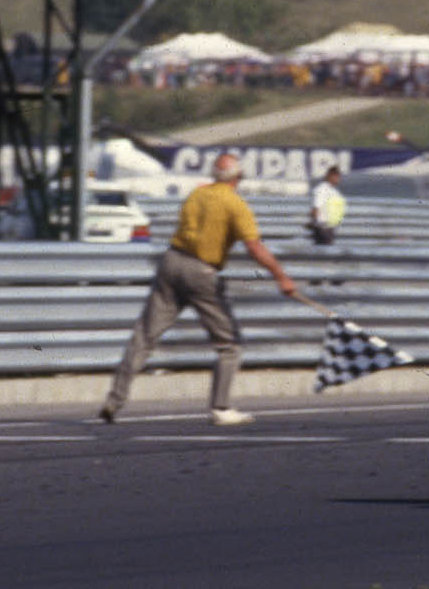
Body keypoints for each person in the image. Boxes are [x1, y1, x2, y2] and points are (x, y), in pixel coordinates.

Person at [99, 151, 299, 426]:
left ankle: (114, 400)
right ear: (237, 178)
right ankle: (221, 407)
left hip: (171, 262)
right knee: (230, 344)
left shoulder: (197, 194)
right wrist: (282, 277)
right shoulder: (235, 204)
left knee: (144, 336)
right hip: (202, 271)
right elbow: (254, 247)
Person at [307, 165, 346, 245]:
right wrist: (314, 223)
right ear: (330, 176)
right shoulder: (321, 189)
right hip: (322, 228)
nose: (338, 179)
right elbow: (316, 208)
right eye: (337, 177)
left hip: (330, 227)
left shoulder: (333, 191)